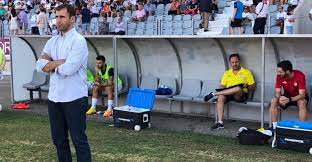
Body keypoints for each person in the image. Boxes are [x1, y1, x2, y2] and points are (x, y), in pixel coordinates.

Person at [36, 4, 91, 162]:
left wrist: (51, 65)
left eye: (62, 17)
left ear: (72, 19)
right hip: (54, 99)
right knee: (59, 141)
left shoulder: (79, 41)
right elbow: (39, 66)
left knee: (79, 141)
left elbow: (69, 69)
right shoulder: (52, 41)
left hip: (74, 99)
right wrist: (59, 62)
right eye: (56, 16)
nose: (58, 20)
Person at [204, 54, 256, 130]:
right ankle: (220, 123)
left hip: (240, 95)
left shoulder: (246, 72)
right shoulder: (227, 73)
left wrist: (246, 86)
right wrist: (221, 91)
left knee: (238, 88)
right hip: (228, 94)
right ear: (230, 63)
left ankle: (213, 94)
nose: (235, 64)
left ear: (239, 61)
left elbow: (253, 86)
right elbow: (222, 86)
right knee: (221, 96)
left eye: (236, 62)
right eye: (233, 62)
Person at [269, 60, 309, 130]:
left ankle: (302, 129)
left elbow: (302, 95)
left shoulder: (299, 75)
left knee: (302, 102)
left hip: (298, 97)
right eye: (278, 71)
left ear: (288, 71)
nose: (278, 73)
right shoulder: (279, 76)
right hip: (286, 96)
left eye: (280, 72)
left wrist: (289, 99)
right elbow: (277, 92)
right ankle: (274, 128)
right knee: (273, 101)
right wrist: (279, 98)